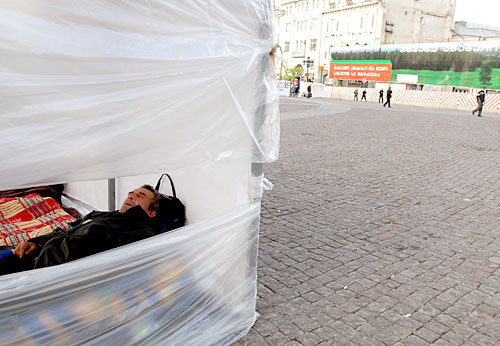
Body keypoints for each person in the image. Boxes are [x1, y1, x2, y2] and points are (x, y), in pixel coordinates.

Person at [0, 185, 161, 275]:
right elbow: (66, 229)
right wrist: (36, 242)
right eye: (130, 193)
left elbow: (79, 252)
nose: (131, 196)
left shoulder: (138, 232)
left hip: (42, 271)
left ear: (151, 213)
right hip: (38, 257)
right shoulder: (101, 215)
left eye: (141, 195)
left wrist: (36, 265)